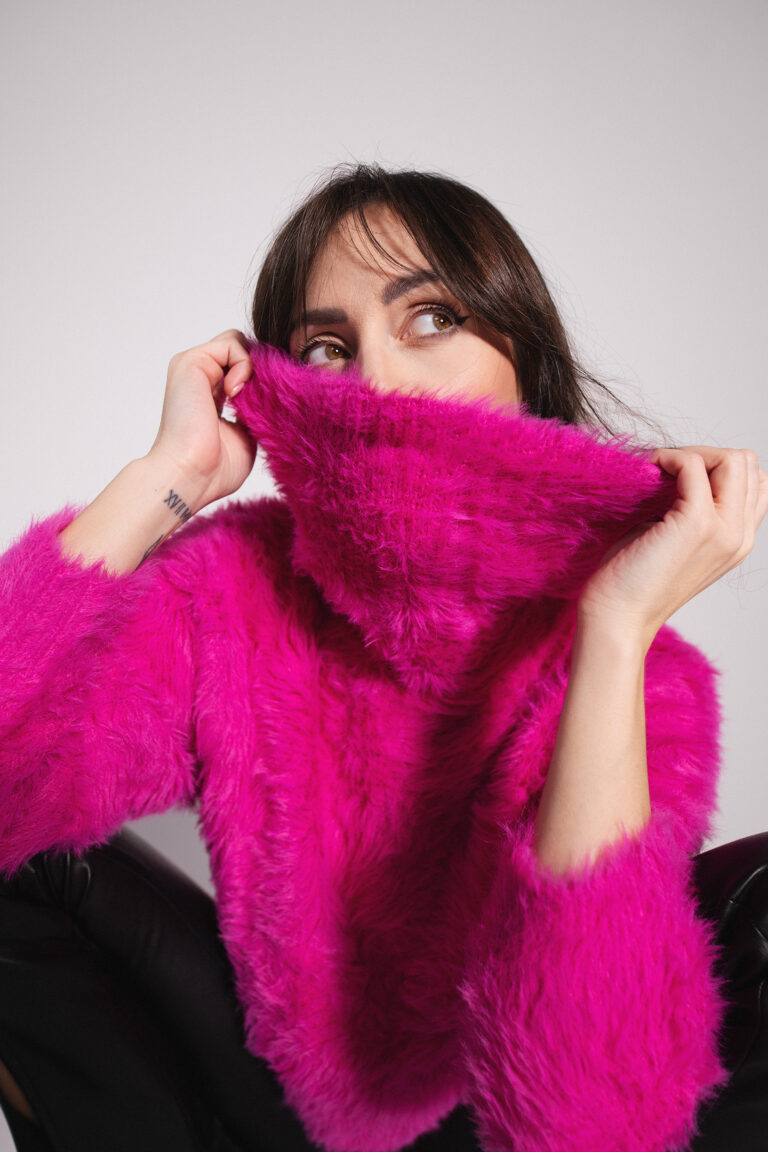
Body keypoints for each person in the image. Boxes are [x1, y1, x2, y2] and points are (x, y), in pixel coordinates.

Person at [0, 163, 767, 1152]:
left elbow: (584, 1118)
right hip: (278, 1086)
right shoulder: (237, 582)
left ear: (523, 361)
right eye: (328, 346)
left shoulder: (642, 675)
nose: (382, 381)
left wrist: (615, 630)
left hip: (489, 1114)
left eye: (432, 319)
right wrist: (165, 477)